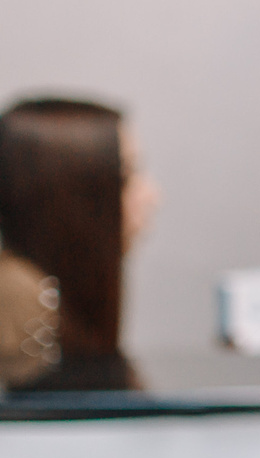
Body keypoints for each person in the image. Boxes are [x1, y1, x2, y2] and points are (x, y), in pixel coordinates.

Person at [0, 96, 159, 392]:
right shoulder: (21, 298)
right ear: (69, 193)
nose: (151, 195)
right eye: (125, 176)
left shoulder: (55, 293)